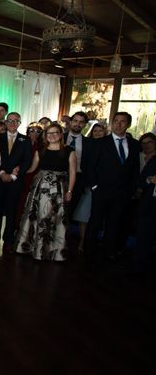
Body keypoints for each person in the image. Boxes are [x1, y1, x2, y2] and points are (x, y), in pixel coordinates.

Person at [14, 123, 76, 261]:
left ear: (61, 134)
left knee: (56, 219)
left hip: (59, 189)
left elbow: (72, 172)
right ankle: (34, 248)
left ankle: (55, 251)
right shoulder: (40, 150)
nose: (52, 136)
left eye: (55, 133)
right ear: (45, 136)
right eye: (49, 133)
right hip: (40, 189)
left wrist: (70, 191)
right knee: (38, 216)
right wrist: (18, 170)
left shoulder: (69, 151)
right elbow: (32, 168)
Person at [85, 112, 140, 263]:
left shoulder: (134, 145)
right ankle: (88, 252)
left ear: (128, 124)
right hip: (101, 190)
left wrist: (131, 189)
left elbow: (135, 169)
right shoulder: (100, 143)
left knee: (114, 223)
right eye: (116, 121)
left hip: (122, 193)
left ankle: (109, 252)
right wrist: (95, 186)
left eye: (123, 122)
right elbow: (90, 167)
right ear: (112, 123)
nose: (119, 124)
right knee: (95, 222)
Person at [0, 112, 32, 254]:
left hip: (15, 181)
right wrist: (1, 173)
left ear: (19, 123)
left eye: (16, 121)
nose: (13, 123)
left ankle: (8, 241)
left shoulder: (25, 141)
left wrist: (14, 175)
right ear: (6, 122)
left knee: (12, 211)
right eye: (10, 121)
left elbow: (27, 161)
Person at [72, 123, 107, 252]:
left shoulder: (109, 147)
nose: (97, 133)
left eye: (100, 131)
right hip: (87, 184)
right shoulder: (88, 145)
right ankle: (82, 241)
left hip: (104, 186)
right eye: (95, 131)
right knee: (84, 215)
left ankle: (92, 241)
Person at [63, 111, 92, 221]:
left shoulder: (90, 143)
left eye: (81, 122)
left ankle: (64, 236)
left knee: (70, 211)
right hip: (60, 177)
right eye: (75, 121)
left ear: (85, 125)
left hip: (79, 179)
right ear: (70, 122)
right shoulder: (60, 138)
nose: (77, 124)